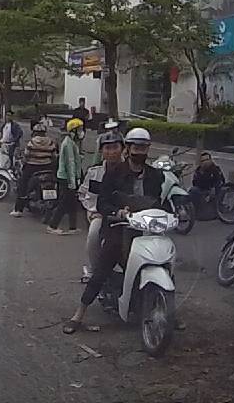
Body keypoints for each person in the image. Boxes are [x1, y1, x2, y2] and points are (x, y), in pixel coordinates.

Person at [64, 126, 164, 334]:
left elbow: (159, 202)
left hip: (145, 229)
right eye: (135, 147)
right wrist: (117, 212)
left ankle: (167, 311)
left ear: (148, 149)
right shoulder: (113, 173)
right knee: (104, 264)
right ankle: (79, 314)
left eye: (143, 147)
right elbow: (102, 203)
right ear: (128, 148)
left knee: (162, 258)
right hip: (119, 227)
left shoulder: (155, 175)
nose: (139, 152)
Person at [78, 125, 123, 282]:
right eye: (107, 148)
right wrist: (92, 211)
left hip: (126, 215)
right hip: (101, 215)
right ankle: (93, 270)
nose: (111, 152)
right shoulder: (94, 172)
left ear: (123, 149)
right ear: (101, 151)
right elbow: (84, 194)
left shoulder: (129, 170)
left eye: (115, 147)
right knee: (93, 235)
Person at [10, 120, 59, 217]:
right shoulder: (51, 142)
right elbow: (54, 156)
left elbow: (26, 155)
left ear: (35, 132)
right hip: (47, 167)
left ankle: (18, 209)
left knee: (22, 185)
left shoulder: (32, 142)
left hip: (32, 167)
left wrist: (25, 161)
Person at [47, 118, 85, 235]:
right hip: (66, 178)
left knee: (72, 203)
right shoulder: (68, 144)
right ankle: (52, 226)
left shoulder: (72, 143)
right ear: (73, 130)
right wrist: (72, 182)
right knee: (64, 203)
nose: (81, 132)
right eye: (79, 129)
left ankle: (73, 227)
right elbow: (70, 163)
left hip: (70, 177)